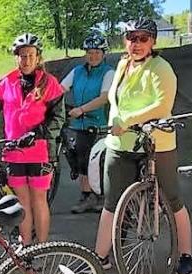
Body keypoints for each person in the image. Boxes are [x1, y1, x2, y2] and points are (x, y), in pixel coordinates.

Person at [92, 18, 192, 274]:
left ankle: (185, 255)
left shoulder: (161, 68)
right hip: (120, 143)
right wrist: (115, 125)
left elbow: (162, 106)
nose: (136, 43)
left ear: (153, 41)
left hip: (156, 143)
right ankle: (99, 257)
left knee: (172, 197)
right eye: (131, 38)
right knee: (112, 202)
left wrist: (127, 121)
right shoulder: (122, 64)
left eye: (143, 38)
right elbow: (115, 101)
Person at [0, 33, 65, 245]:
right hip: (13, 152)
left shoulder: (50, 84)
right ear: (16, 57)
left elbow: (58, 118)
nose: (26, 60)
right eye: (22, 56)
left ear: (38, 58)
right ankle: (26, 245)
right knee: (22, 201)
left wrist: (36, 133)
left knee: (39, 200)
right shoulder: (7, 82)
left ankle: (41, 247)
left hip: (40, 151)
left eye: (30, 55)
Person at [60, 29, 115, 213]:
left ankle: (93, 197)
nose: (92, 56)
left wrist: (82, 109)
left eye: (97, 53)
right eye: (90, 53)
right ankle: (90, 196)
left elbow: (104, 97)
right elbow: (61, 89)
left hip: (97, 124)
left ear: (103, 54)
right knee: (77, 159)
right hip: (76, 124)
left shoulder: (108, 72)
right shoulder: (77, 71)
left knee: (92, 160)